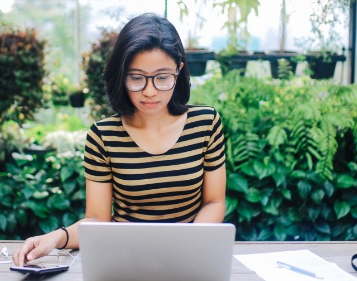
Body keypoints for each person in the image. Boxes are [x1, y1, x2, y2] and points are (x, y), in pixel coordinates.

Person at [13, 12, 226, 266]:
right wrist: (56, 237)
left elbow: (214, 202)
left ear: (179, 71)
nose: (149, 91)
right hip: (125, 259)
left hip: (190, 258)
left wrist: (186, 244)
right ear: (122, 75)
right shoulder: (102, 136)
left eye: (162, 77)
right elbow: (97, 219)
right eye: (136, 78)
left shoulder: (206, 123)